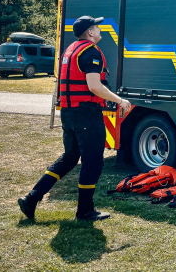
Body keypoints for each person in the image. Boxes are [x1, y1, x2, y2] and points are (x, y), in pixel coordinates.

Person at [18, 16, 132, 221]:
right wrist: (119, 100)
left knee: (70, 158)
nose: (99, 29)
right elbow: (94, 86)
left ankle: (32, 198)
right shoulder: (91, 51)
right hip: (86, 115)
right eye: (96, 27)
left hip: (70, 114)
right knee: (93, 162)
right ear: (90, 32)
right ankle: (85, 210)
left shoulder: (71, 49)